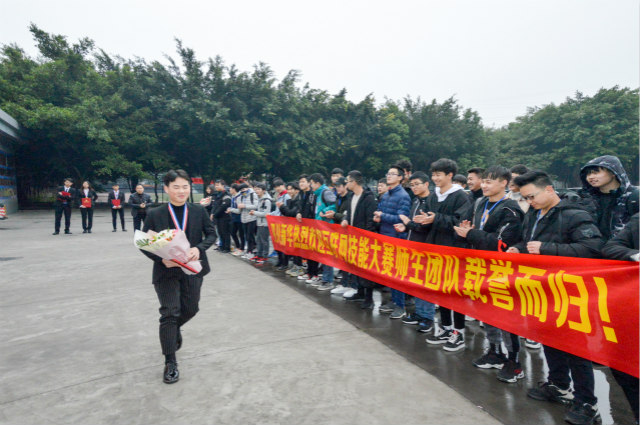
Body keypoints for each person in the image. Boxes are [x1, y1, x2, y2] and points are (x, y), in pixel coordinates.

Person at [506, 170, 604, 425]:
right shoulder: (533, 214)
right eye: (525, 198)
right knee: (549, 337)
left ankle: (586, 402)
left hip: (570, 292)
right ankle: (559, 384)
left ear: (549, 189)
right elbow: (526, 240)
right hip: (542, 289)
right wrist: (518, 247)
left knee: (576, 347)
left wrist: (547, 249)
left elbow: (593, 249)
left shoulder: (575, 215)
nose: (530, 202)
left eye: (532, 196)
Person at [140, 169, 216, 384]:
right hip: (166, 272)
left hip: (192, 268)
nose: (181, 191)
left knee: (191, 308)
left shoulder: (198, 211)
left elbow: (211, 234)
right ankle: (170, 361)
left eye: (185, 186)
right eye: (176, 187)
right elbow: (144, 243)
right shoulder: (155, 213)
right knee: (169, 313)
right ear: (166, 189)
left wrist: (199, 249)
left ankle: (174, 331)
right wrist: (160, 259)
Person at [453, 166, 525, 381]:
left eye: (489, 182)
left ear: (504, 183)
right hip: (480, 266)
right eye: (483, 181)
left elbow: (501, 243)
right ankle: (495, 352)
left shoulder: (511, 209)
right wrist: (465, 231)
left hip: (502, 270)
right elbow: (469, 228)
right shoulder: (479, 203)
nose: (484, 185)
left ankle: (514, 361)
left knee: (505, 315)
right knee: (487, 312)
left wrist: (472, 233)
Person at [420, 158, 472, 351]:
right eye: (433, 175)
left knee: (454, 291)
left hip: (452, 250)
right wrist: (422, 220)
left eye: (438, 175)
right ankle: (446, 327)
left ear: (450, 175)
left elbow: (461, 221)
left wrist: (436, 218)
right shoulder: (434, 196)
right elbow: (428, 216)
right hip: (435, 249)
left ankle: (459, 331)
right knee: (440, 290)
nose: (435, 178)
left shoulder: (460, 196)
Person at [602, 213, 639, 423]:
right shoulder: (638, 221)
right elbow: (610, 248)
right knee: (625, 370)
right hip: (634, 307)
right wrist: (635, 254)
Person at [394, 171, 436, 332]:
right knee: (416, 282)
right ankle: (419, 313)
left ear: (426, 184)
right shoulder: (416, 201)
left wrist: (408, 223)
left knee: (426, 284)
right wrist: (405, 226)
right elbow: (413, 224)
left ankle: (428, 317)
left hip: (426, 248)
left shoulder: (431, 202)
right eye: (411, 185)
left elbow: (425, 226)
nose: (414, 188)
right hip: (413, 247)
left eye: (417, 184)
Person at [374, 165, 411, 319]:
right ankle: (394, 302)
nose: (389, 176)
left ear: (401, 178)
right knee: (389, 272)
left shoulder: (403, 196)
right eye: (388, 173)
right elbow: (381, 212)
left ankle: (400, 306)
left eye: (392, 174)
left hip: (397, 238)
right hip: (385, 237)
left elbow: (402, 219)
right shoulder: (387, 194)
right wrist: (377, 217)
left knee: (398, 275)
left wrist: (382, 216)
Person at [340, 170, 378, 308]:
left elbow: (370, 220)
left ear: (354, 182)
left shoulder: (368, 197)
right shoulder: (351, 197)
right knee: (356, 267)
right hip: (352, 238)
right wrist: (345, 220)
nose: (346, 184)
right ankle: (360, 292)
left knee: (366, 269)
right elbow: (348, 214)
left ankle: (369, 298)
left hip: (364, 239)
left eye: (348, 181)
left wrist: (366, 238)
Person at [579, 155, 639, 240]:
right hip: (593, 249)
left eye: (596, 172)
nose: (591, 177)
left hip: (624, 250)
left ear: (613, 172)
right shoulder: (585, 199)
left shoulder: (633, 197)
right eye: (588, 173)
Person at [309, 173, 337, 291]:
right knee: (322, 254)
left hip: (327, 228)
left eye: (311, 184)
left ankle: (328, 280)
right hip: (320, 227)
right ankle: (325, 277)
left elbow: (334, 205)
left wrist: (325, 211)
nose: (311, 186)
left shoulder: (326, 192)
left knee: (327, 255)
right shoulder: (319, 193)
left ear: (317, 183)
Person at [296, 174, 320, 283]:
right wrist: (298, 213)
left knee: (313, 251)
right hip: (303, 226)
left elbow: (313, 211)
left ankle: (314, 274)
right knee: (307, 251)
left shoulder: (313, 194)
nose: (301, 184)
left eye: (303, 182)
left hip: (312, 226)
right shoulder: (301, 194)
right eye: (300, 182)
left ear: (309, 183)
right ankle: (309, 273)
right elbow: (299, 208)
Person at [228, 182, 258, 259]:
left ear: (247, 188)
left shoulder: (252, 194)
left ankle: (250, 252)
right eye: (241, 190)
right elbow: (239, 211)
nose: (243, 191)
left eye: (244, 189)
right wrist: (231, 209)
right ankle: (249, 251)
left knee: (249, 236)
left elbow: (255, 206)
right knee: (247, 236)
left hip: (252, 218)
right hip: (243, 219)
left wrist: (245, 206)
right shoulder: (240, 197)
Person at [280, 181, 304, 275]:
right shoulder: (290, 199)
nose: (289, 191)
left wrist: (282, 207)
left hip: (298, 227)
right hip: (292, 227)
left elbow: (291, 213)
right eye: (288, 189)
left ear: (296, 190)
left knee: (298, 248)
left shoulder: (298, 200)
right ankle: (295, 265)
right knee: (294, 247)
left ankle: (299, 267)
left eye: (291, 189)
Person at [271, 178, 291, 269]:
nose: (277, 188)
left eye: (279, 186)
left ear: (283, 185)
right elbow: (276, 210)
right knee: (278, 244)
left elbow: (286, 210)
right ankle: (280, 261)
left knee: (284, 245)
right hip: (277, 222)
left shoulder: (287, 196)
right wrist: (271, 215)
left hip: (284, 223)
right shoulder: (279, 196)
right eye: (276, 187)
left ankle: (284, 263)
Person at [250, 182, 272, 264]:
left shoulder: (267, 200)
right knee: (258, 239)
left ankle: (265, 256)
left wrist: (254, 213)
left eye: (259, 189)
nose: (257, 191)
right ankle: (259, 254)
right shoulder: (260, 199)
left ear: (263, 190)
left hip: (265, 224)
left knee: (264, 240)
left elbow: (265, 214)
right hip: (259, 223)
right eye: (256, 189)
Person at [228, 184, 245, 255]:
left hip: (240, 218)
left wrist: (231, 210)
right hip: (234, 218)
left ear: (234, 189)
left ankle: (242, 249)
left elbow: (239, 211)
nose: (229, 190)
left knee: (241, 234)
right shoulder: (233, 197)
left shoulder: (239, 197)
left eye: (230, 188)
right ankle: (238, 247)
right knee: (232, 232)